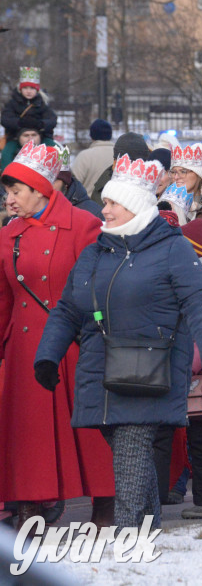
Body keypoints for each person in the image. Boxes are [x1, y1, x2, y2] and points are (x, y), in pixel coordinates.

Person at [35, 153, 202, 529]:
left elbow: (199, 304)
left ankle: (129, 535)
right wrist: (47, 356)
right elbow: (66, 308)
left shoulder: (172, 248)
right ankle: (148, 525)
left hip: (151, 371)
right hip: (102, 370)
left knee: (131, 450)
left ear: (134, 206)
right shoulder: (96, 251)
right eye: (105, 202)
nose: (103, 210)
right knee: (130, 454)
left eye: (111, 203)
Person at [0, 142, 114, 529]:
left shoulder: (83, 225)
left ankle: (105, 503)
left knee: (90, 429)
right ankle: (31, 506)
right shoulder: (7, 234)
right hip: (26, 347)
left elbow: (100, 287)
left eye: (16, 191)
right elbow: (2, 299)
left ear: (40, 189)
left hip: (76, 343)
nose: (9, 199)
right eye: (7, 192)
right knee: (30, 431)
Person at [153, 219, 202, 519]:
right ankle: (158, 500)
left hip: (196, 374)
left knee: (198, 439)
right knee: (181, 437)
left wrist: (187, 366)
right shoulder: (199, 275)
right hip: (188, 371)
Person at [1, 67, 56, 168]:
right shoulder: (12, 104)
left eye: (32, 88)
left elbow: (52, 120)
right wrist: (20, 123)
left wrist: (41, 124)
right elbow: (5, 119)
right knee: (7, 153)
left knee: (54, 150)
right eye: (25, 88)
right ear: (20, 89)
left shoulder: (42, 104)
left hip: (41, 137)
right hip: (15, 138)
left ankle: (59, 174)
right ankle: (6, 176)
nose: (29, 91)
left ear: (37, 90)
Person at [90, 132, 150, 203]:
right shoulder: (102, 193)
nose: (133, 172)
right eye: (128, 164)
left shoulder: (152, 188)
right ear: (115, 163)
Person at [72, 119, 116, 196]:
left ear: (91, 136)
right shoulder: (120, 156)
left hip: (88, 205)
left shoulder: (84, 156)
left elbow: (73, 185)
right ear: (110, 135)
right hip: (115, 205)